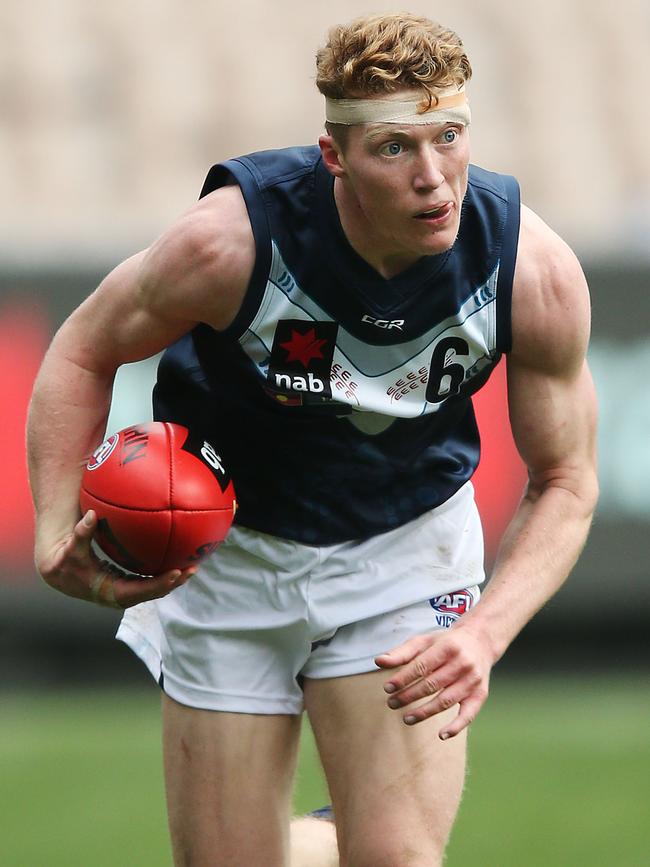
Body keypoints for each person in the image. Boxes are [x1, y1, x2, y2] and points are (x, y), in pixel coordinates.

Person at [27, 12, 598, 867]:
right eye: (395, 148)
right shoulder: (229, 242)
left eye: (449, 136)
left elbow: (567, 478)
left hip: (402, 551)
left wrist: (484, 633)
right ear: (335, 155)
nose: (435, 178)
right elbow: (83, 348)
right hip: (226, 558)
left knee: (396, 859)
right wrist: (53, 526)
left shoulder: (530, 270)